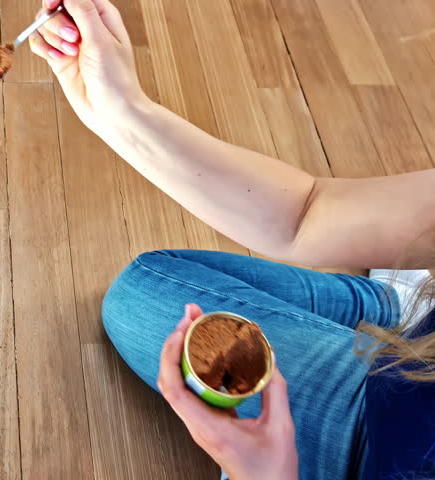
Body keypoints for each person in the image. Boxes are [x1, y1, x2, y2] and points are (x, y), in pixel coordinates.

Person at [29, 0, 435, 479]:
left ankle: (397, 310)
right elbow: (305, 217)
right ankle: (403, 307)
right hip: (400, 389)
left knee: (143, 293)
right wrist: (121, 111)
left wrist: (264, 473)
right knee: (140, 291)